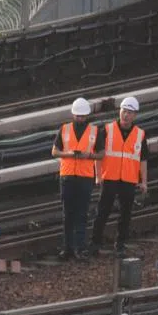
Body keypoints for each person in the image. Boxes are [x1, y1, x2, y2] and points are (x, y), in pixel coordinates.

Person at [90, 96, 149, 256]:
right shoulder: (107, 130)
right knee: (103, 211)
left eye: (130, 113)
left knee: (125, 214)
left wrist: (144, 181)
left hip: (129, 179)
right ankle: (95, 243)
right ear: (119, 111)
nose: (126, 115)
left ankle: (120, 244)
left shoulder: (140, 135)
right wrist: (98, 176)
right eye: (124, 111)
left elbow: (143, 159)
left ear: (135, 115)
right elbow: (98, 154)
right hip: (109, 177)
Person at [51, 98, 101, 260]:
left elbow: (101, 153)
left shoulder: (94, 131)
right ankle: (68, 249)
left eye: (83, 116)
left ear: (87, 115)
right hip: (67, 176)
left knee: (81, 214)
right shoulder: (64, 129)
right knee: (68, 214)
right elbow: (54, 151)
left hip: (85, 177)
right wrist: (69, 154)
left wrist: (89, 156)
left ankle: (79, 248)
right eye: (78, 116)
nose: (80, 119)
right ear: (73, 114)